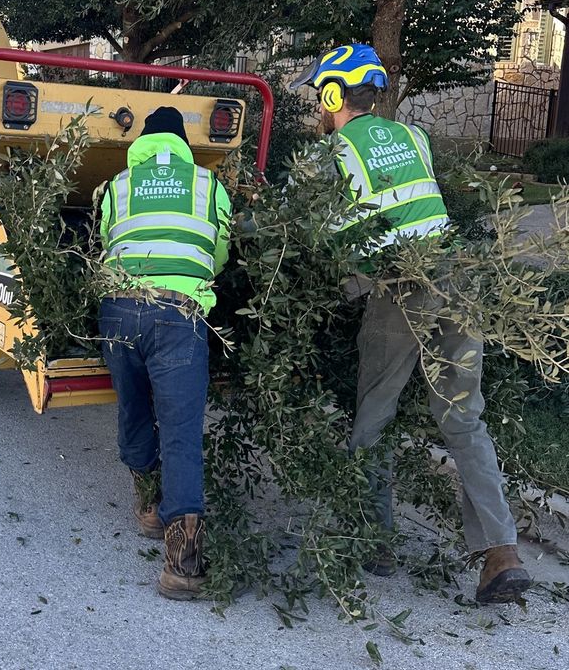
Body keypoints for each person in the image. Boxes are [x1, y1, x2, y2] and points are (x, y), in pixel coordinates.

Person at [290, 44, 531, 604]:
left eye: (318, 97)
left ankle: (373, 542)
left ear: (332, 95)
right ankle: (503, 555)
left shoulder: (335, 153)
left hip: (402, 289)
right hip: (457, 276)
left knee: (374, 415)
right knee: (464, 419)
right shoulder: (416, 138)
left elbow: (323, 233)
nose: (318, 111)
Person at [97, 106, 231, 601]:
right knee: (180, 430)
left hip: (119, 313)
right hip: (179, 315)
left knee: (133, 408)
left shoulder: (118, 185)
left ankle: (148, 503)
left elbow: (104, 243)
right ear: (182, 144)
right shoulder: (207, 184)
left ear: (144, 143)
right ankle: (182, 564)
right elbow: (218, 251)